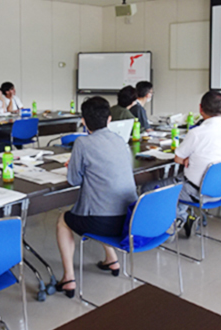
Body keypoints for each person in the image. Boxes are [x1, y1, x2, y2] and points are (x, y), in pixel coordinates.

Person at [56, 96, 137, 298]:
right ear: (109, 119)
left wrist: (75, 164)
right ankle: (112, 259)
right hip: (129, 219)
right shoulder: (120, 140)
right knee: (103, 200)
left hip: (102, 222)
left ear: (83, 121)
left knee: (63, 220)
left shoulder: (82, 143)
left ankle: (68, 278)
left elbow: (74, 180)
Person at [174, 91, 221, 237]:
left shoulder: (197, 133)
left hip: (198, 192)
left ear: (200, 109)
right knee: (181, 181)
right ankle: (184, 216)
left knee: (151, 188)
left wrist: (187, 159)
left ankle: (183, 218)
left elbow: (178, 158)